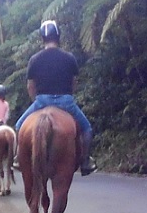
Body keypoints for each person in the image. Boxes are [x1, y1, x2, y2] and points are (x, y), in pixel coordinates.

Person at [14, 20, 96, 175]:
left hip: (42, 101)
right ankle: (85, 161)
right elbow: (73, 83)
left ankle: (18, 158)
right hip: (66, 101)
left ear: (42, 38)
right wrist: (68, 97)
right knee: (86, 128)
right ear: (58, 36)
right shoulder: (69, 58)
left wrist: (36, 101)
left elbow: (30, 86)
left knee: (19, 126)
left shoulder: (35, 59)